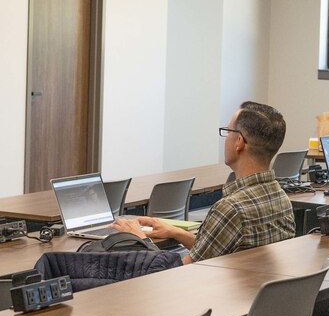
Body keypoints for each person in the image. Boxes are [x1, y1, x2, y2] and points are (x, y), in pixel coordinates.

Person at [116, 100, 294, 261]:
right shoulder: (280, 197)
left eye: (227, 131)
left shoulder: (231, 209)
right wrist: (176, 233)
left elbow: (175, 273)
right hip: (248, 291)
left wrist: (140, 239)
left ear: (239, 142)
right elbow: (214, 252)